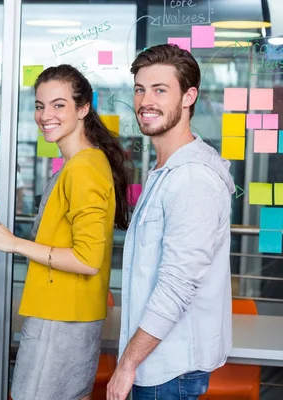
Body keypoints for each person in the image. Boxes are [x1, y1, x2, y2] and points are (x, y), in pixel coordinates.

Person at [0, 64, 130, 400]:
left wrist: (15, 243)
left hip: (61, 321)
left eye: (58, 104)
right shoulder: (80, 164)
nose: (45, 114)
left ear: (83, 109)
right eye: (39, 105)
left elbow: (86, 259)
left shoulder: (83, 169)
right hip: (65, 317)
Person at [107, 44, 235, 400]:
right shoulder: (167, 170)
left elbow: (177, 286)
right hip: (157, 364)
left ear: (188, 97)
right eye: (140, 89)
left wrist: (127, 364)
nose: (146, 101)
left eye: (160, 90)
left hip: (169, 370)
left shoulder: (192, 178)